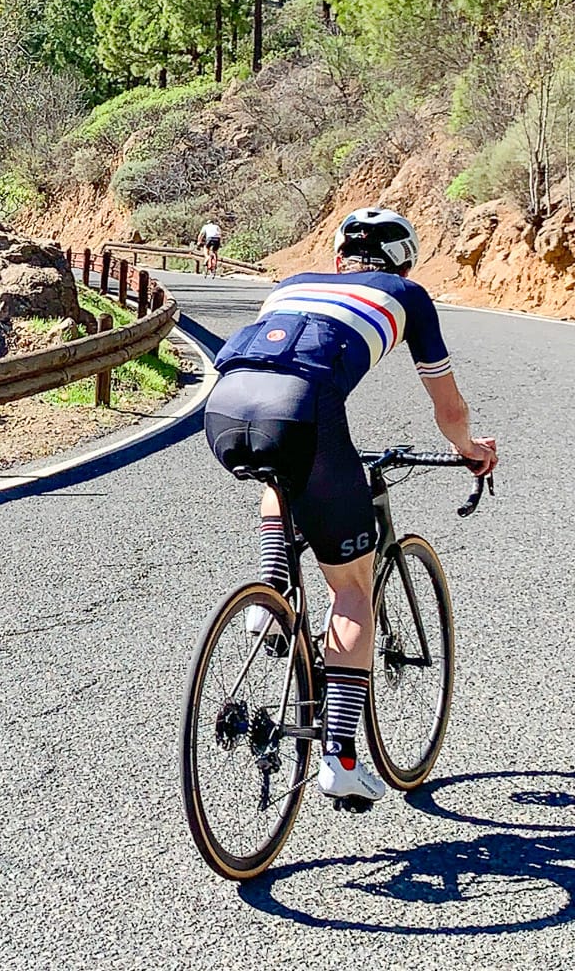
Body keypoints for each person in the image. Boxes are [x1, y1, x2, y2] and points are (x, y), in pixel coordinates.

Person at [202, 206, 497, 807]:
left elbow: (275, 368)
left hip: (224, 409)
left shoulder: (289, 286)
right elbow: (448, 407)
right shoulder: (407, 294)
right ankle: (340, 758)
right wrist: (469, 451)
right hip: (304, 411)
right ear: (403, 260)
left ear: (339, 259)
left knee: (281, 468)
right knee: (352, 591)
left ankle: (271, 593)